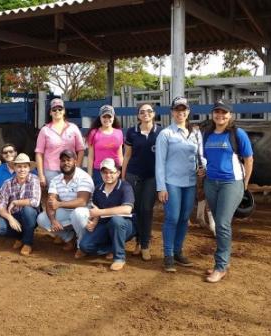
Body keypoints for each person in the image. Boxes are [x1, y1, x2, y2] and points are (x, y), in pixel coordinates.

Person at [202, 99, 254, 283]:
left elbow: (249, 159)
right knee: (219, 223)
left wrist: (244, 183)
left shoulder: (237, 133)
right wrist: (203, 170)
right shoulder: (207, 134)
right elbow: (206, 159)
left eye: (224, 112)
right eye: (217, 112)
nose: (220, 115)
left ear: (230, 115)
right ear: (213, 114)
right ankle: (224, 261)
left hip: (231, 183)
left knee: (222, 224)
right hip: (211, 183)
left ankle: (220, 266)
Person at [155, 96, 205, 272]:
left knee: (184, 218)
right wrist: (161, 187)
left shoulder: (196, 133)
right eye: (177, 110)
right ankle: (168, 254)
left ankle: (178, 251)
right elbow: (159, 162)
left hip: (190, 182)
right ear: (172, 112)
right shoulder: (166, 134)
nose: (180, 113)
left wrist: (203, 168)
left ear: (188, 112)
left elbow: (201, 156)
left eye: (183, 110)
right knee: (172, 218)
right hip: (172, 182)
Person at [72, 158, 136, 271]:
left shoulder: (125, 187)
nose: (108, 175)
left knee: (116, 221)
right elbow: (96, 209)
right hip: (104, 224)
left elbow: (127, 209)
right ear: (101, 173)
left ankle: (119, 258)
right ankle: (111, 248)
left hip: (124, 225)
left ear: (118, 173)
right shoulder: (98, 189)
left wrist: (100, 212)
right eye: (105, 172)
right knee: (85, 246)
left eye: (111, 172)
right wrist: (94, 221)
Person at [121, 103, 162, 261]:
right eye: (142, 112)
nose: (146, 114)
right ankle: (138, 243)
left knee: (146, 209)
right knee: (135, 210)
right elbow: (127, 155)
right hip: (133, 175)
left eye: (149, 111)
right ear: (138, 115)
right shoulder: (132, 132)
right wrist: (123, 177)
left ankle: (145, 244)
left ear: (153, 114)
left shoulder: (161, 133)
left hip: (152, 177)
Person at [36, 149, 94, 251]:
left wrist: (59, 204)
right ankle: (69, 238)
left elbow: (82, 201)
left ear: (75, 161)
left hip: (85, 212)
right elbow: (51, 201)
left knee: (78, 213)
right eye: (63, 160)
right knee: (42, 219)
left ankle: (82, 245)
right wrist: (53, 220)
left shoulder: (84, 177)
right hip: (66, 211)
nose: (66, 163)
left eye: (69, 160)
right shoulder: (56, 179)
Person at [0, 153, 41, 256]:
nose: (22, 169)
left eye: (25, 166)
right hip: (14, 215)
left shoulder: (34, 179)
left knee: (27, 210)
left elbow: (35, 201)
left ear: (29, 168)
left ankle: (27, 243)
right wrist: (10, 218)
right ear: (14, 168)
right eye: (19, 166)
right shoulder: (7, 183)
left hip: (30, 215)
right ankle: (20, 237)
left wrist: (15, 202)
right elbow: (1, 205)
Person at [35, 98, 85, 190]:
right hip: (51, 170)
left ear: (64, 111)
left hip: (70, 168)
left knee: (70, 195)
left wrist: (77, 167)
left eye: (60, 109)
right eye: (54, 109)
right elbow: (39, 153)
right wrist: (41, 175)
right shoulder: (45, 130)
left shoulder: (73, 128)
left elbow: (81, 149)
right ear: (50, 112)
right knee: (54, 197)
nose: (57, 111)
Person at [87, 104, 124, 187]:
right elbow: (90, 156)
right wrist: (89, 175)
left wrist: (122, 172)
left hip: (115, 171)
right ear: (100, 118)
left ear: (113, 118)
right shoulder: (93, 133)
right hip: (99, 171)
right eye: (104, 117)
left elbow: (120, 155)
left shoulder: (119, 133)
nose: (107, 119)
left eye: (109, 117)